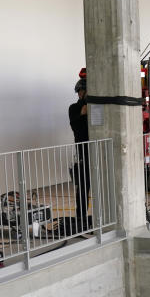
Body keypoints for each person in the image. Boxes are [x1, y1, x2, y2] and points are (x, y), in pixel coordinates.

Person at [68, 70, 91, 231]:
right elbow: (85, 111)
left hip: (96, 150)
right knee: (83, 187)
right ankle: (80, 217)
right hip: (84, 151)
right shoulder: (74, 108)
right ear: (80, 92)